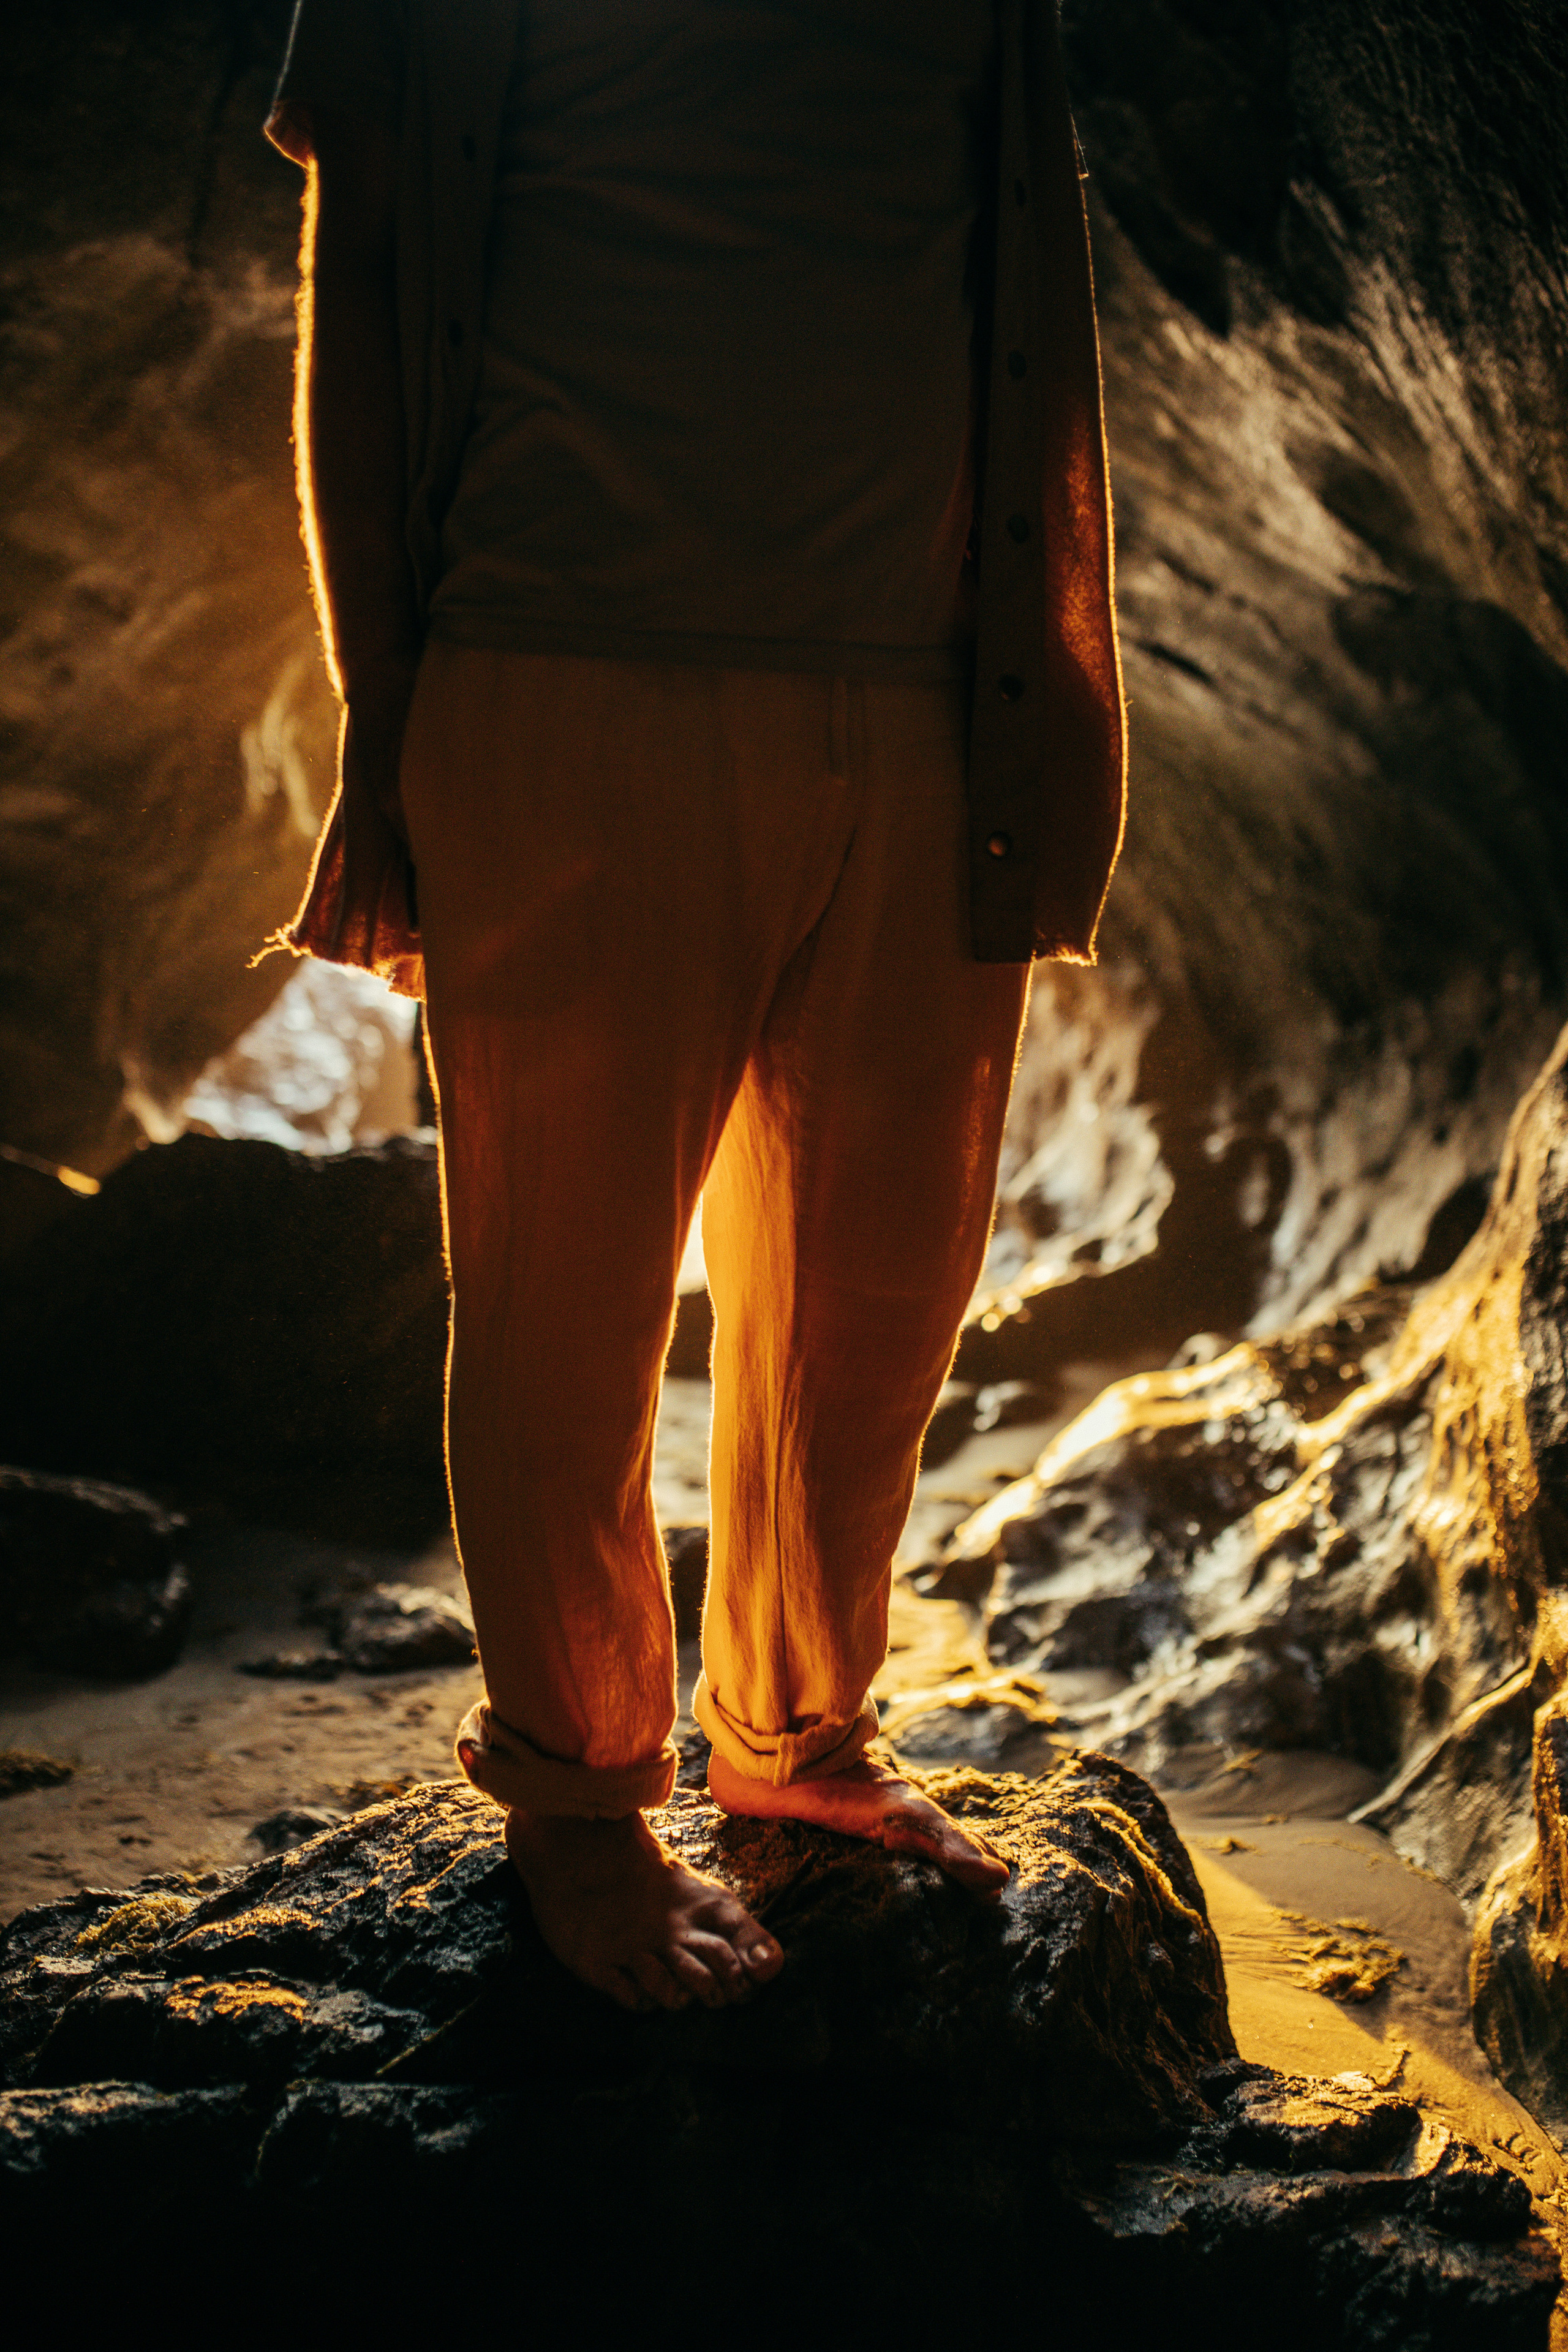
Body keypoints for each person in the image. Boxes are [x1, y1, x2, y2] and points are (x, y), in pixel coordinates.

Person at [265, 0, 1125, 2018]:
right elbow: (359, 301)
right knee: (565, 1302)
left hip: (929, 694)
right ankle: (577, 1797)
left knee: (876, 1294)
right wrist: (386, 717)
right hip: (564, 666)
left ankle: (798, 1735)